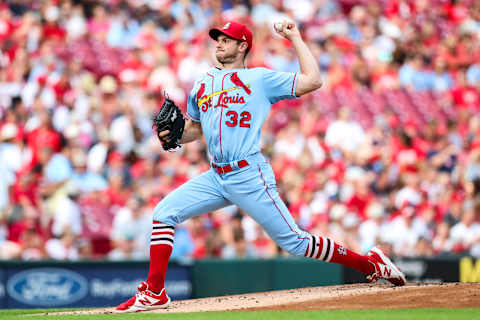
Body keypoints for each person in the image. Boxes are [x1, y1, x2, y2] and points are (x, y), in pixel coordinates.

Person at [116, 20, 406, 313]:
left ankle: (371, 263)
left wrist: (295, 38)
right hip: (217, 175)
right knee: (164, 213)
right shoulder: (202, 83)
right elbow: (194, 129)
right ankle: (155, 292)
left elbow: (313, 80)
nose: (218, 43)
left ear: (243, 46)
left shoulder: (260, 79)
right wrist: (175, 134)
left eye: (226, 39)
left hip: (248, 174)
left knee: (295, 242)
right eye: (217, 38)